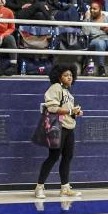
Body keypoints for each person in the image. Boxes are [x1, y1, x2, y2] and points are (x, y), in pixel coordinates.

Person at [34, 65, 81, 199]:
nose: (69, 77)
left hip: (69, 127)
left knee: (67, 157)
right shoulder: (55, 88)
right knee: (53, 157)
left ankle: (65, 188)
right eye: (66, 75)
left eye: (71, 75)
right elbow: (53, 108)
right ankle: (39, 187)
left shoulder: (68, 93)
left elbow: (67, 110)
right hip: (58, 127)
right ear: (59, 77)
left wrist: (75, 112)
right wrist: (71, 111)